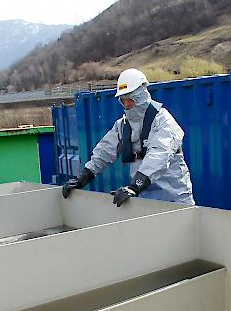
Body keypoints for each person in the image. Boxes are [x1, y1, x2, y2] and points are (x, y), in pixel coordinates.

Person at [62, 68, 194, 207]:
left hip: (175, 199)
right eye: (124, 100)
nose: (128, 104)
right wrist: (83, 177)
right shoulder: (124, 125)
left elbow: (159, 155)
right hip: (145, 200)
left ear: (142, 95)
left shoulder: (163, 121)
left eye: (131, 99)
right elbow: (105, 150)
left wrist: (134, 186)